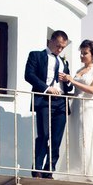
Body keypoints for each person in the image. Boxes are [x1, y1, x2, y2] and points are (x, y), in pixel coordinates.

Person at [24, 31, 73, 177]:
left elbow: (69, 87)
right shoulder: (36, 55)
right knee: (44, 135)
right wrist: (47, 89)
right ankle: (37, 168)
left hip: (61, 102)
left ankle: (49, 169)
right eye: (58, 46)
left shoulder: (64, 62)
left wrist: (68, 80)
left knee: (57, 138)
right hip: (45, 99)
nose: (59, 50)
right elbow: (29, 75)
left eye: (62, 47)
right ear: (50, 41)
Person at [59, 39, 93, 182]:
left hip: (89, 107)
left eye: (85, 53)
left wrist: (72, 81)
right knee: (76, 136)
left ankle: (91, 172)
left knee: (87, 136)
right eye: (81, 53)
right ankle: (79, 169)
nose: (82, 56)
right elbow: (77, 91)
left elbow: (92, 90)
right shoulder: (79, 71)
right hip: (77, 106)